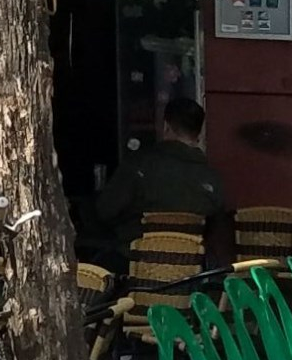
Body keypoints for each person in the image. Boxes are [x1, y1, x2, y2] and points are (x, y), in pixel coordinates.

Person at [89, 97, 225, 259]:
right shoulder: (212, 178)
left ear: (166, 126)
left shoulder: (138, 166)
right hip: (191, 265)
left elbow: (104, 211)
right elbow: (216, 228)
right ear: (199, 133)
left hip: (135, 262)